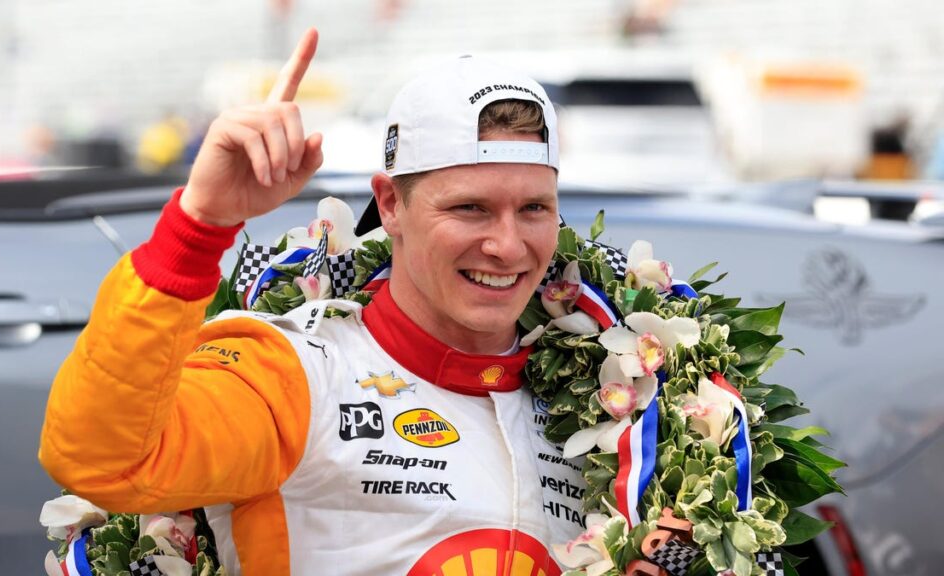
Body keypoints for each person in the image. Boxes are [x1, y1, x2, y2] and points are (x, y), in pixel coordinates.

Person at [39, 28, 585, 575]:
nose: (508, 245)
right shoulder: (295, 376)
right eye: (471, 208)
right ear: (391, 205)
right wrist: (198, 227)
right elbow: (104, 461)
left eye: (535, 208)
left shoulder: (613, 399)